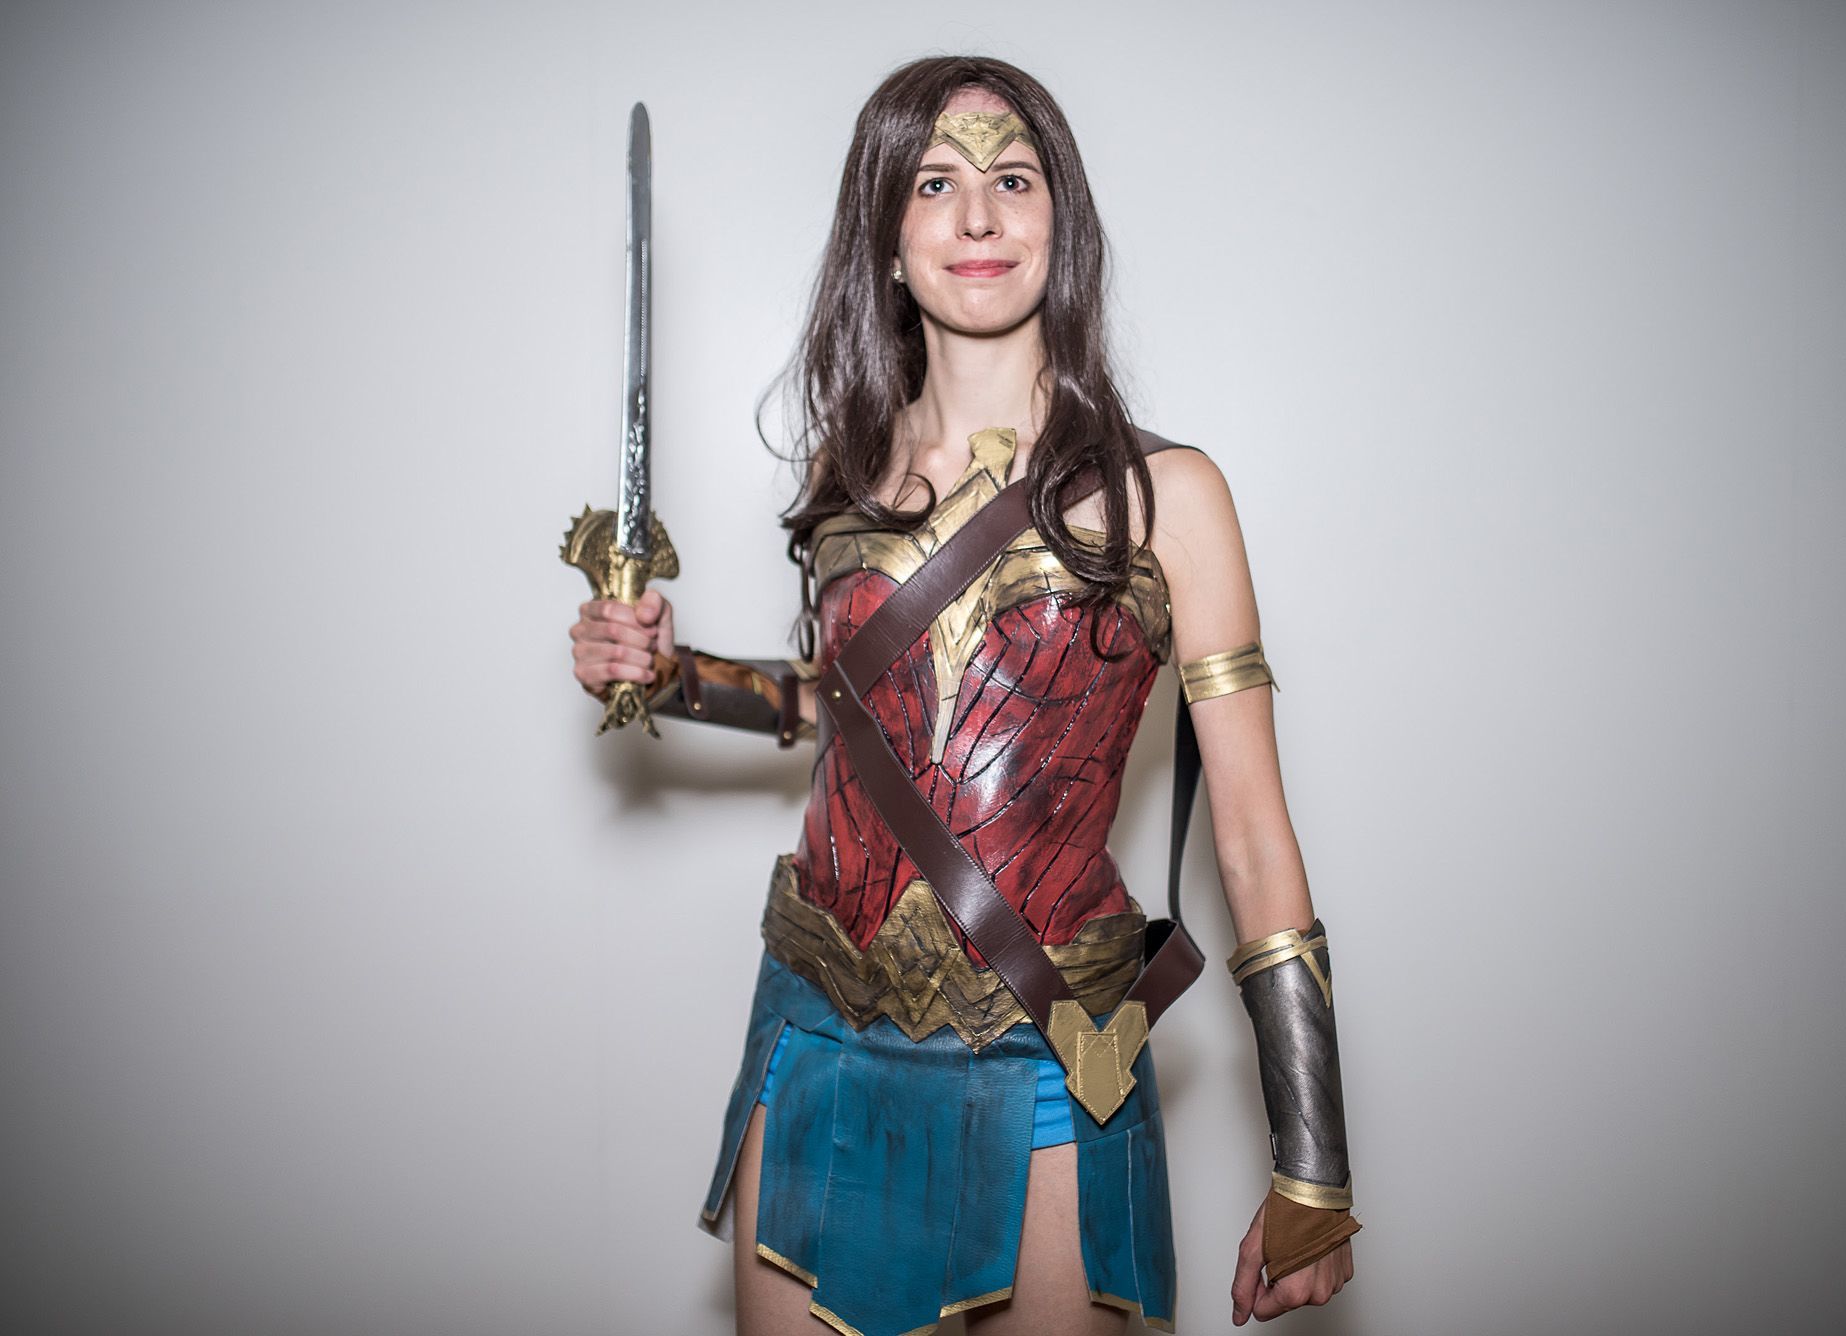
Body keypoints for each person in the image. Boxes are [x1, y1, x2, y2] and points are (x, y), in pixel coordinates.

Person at [568, 55, 1359, 1336]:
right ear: (885, 237)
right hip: (815, 1031)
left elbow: (1254, 837)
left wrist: (1311, 1164)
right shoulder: (846, 479)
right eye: (934, 182)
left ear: (1061, 221)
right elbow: (838, 714)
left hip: (1046, 1049)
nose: (978, 215)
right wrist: (672, 675)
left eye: (1013, 179)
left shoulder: (1169, 496)